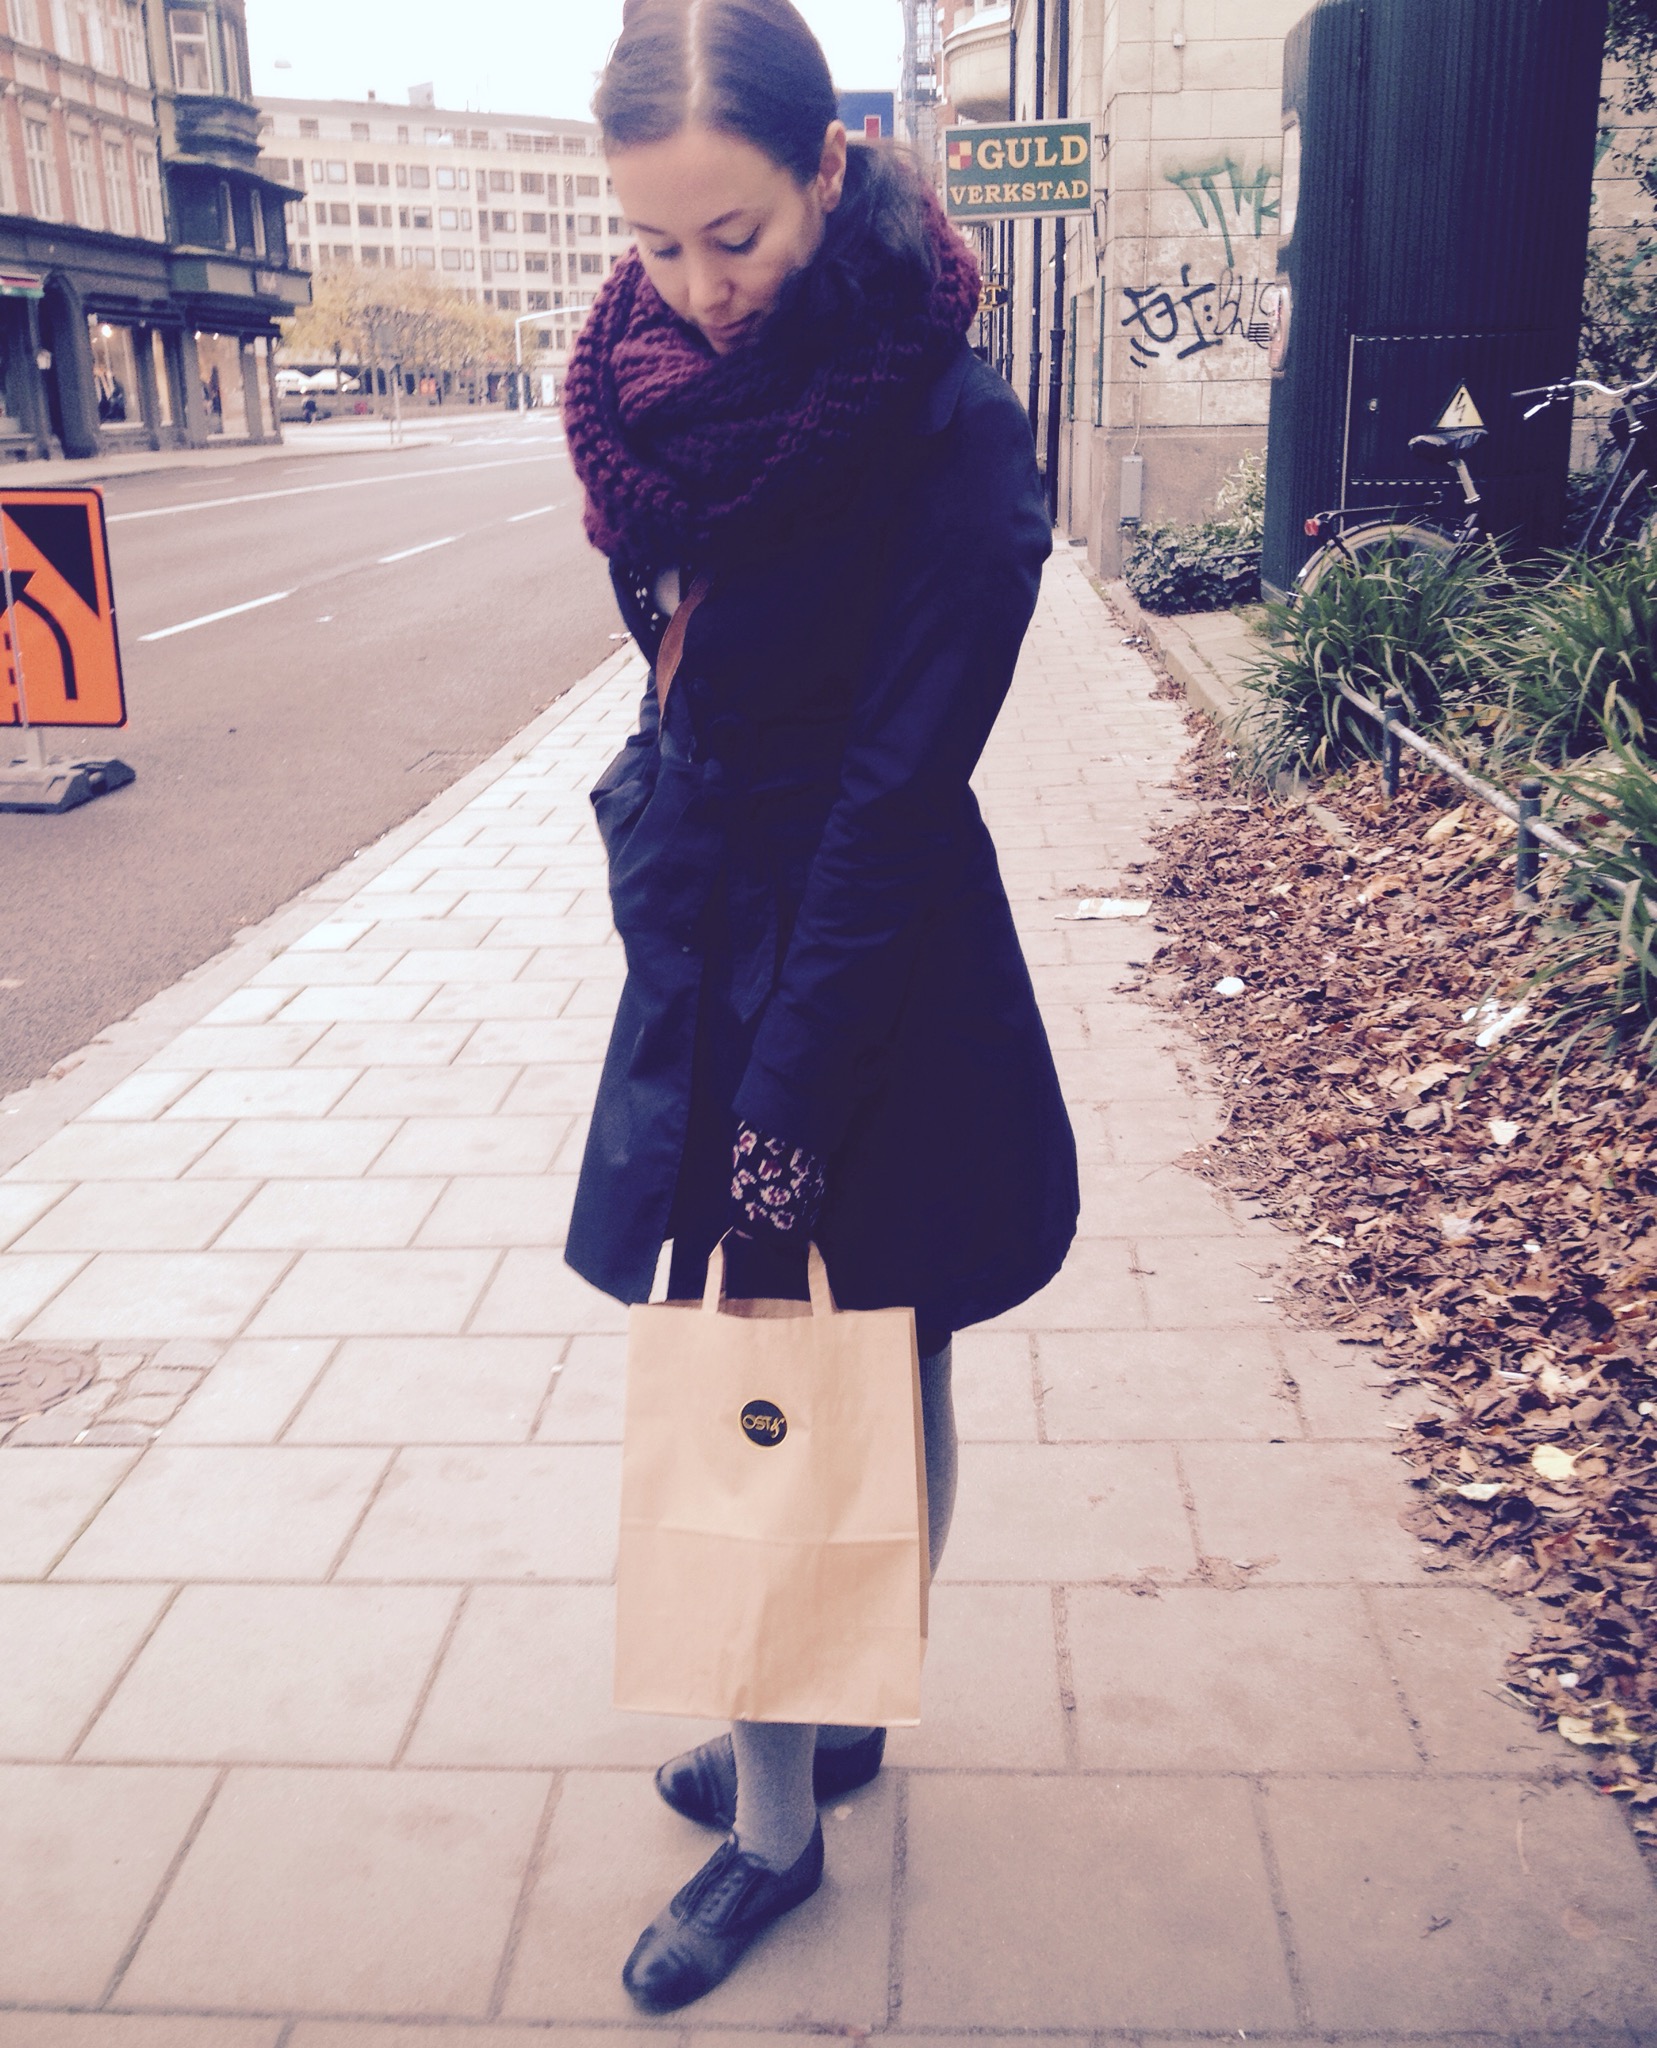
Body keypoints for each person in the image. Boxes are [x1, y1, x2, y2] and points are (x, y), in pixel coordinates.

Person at [562, 0, 1077, 2012]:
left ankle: (778, 1827)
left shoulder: (945, 430)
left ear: (829, 171)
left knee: (816, 1364)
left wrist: (780, 1130)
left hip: (872, 955)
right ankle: (827, 1718)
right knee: (809, 1370)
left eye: (737, 237)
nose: (694, 288)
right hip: (717, 929)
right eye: (654, 242)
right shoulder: (651, 391)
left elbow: (890, 800)